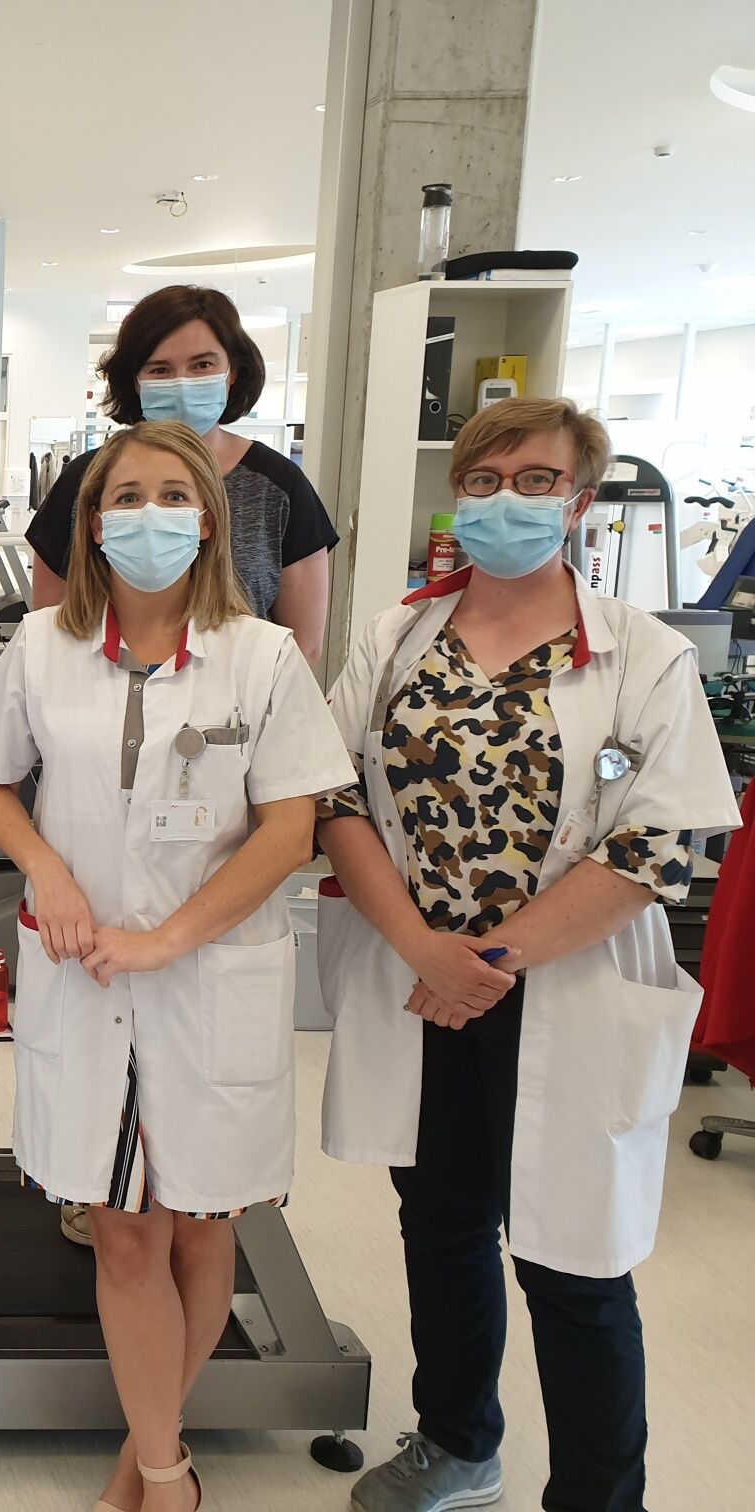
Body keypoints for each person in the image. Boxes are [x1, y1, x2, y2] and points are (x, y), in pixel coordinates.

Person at [317, 398, 739, 1512]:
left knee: (574, 1259)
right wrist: (425, 950)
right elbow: (332, 795)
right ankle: (459, 1445)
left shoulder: (641, 653)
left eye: (537, 479)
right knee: (442, 1226)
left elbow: (657, 844)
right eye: (486, 478)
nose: (507, 498)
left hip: (564, 985)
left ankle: (599, 1496)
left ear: (580, 501)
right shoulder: (396, 636)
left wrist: (486, 963)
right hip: (422, 984)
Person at [0, 422, 351, 1512]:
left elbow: (291, 830)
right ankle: (170, 1473)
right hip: (87, 980)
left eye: (174, 496)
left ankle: (143, 1459)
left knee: (203, 1228)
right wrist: (45, 869)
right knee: (124, 1233)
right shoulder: (44, 646)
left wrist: (166, 940)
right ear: (91, 525)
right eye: (125, 497)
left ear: (209, 522)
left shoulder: (262, 656)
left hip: (209, 979)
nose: (150, 516)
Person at [25, 284, 337, 663]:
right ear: (136, 380)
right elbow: (49, 632)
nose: (182, 383)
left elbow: (303, 648)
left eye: (202, 365)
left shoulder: (279, 487)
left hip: (238, 695)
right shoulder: (86, 480)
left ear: (233, 371)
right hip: (97, 691)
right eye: (160, 369)